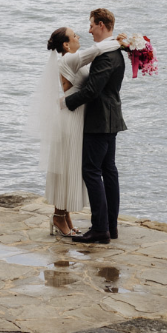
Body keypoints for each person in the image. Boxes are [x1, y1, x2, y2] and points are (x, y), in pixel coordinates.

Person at [31, 26, 122, 238]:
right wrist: (122, 42)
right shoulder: (67, 60)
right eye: (74, 36)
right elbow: (97, 51)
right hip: (70, 118)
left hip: (77, 116)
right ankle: (58, 216)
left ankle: (64, 215)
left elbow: (95, 53)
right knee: (66, 165)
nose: (79, 37)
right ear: (65, 44)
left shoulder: (72, 59)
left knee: (70, 165)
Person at [63, 7, 126, 244]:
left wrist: (65, 103)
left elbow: (92, 90)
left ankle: (100, 229)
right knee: (109, 171)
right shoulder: (115, 51)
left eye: (91, 25)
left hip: (100, 120)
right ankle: (110, 226)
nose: (89, 30)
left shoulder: (106, 54)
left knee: (92, 171)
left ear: (101, 25)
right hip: (111, 118)